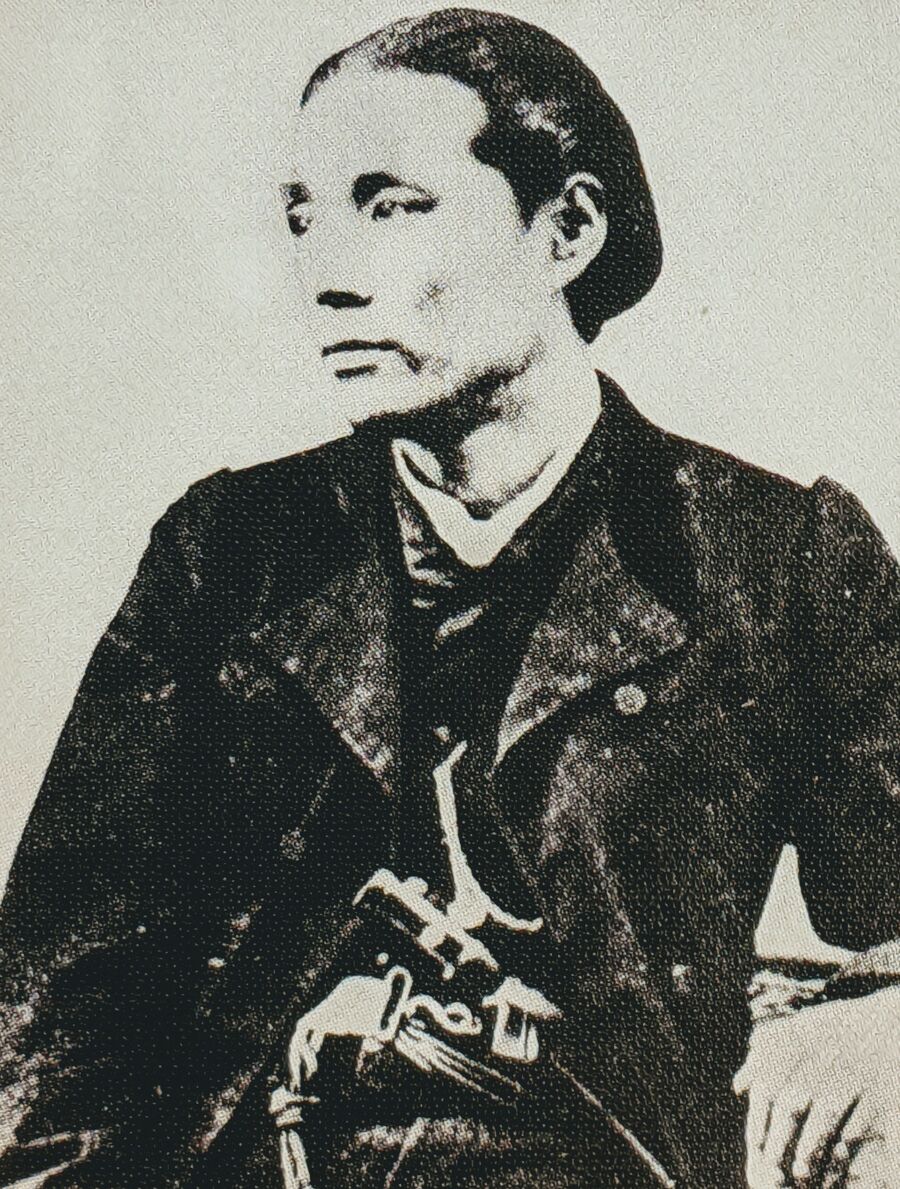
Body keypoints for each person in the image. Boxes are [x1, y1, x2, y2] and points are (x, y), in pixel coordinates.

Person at [1, 8, 898, 1187]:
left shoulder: (771, 559)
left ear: (568, 229)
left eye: (392, 206)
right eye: (304, 218)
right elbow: (51, 1032)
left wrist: (888, 1016)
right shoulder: (229, 555)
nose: (327, 278)